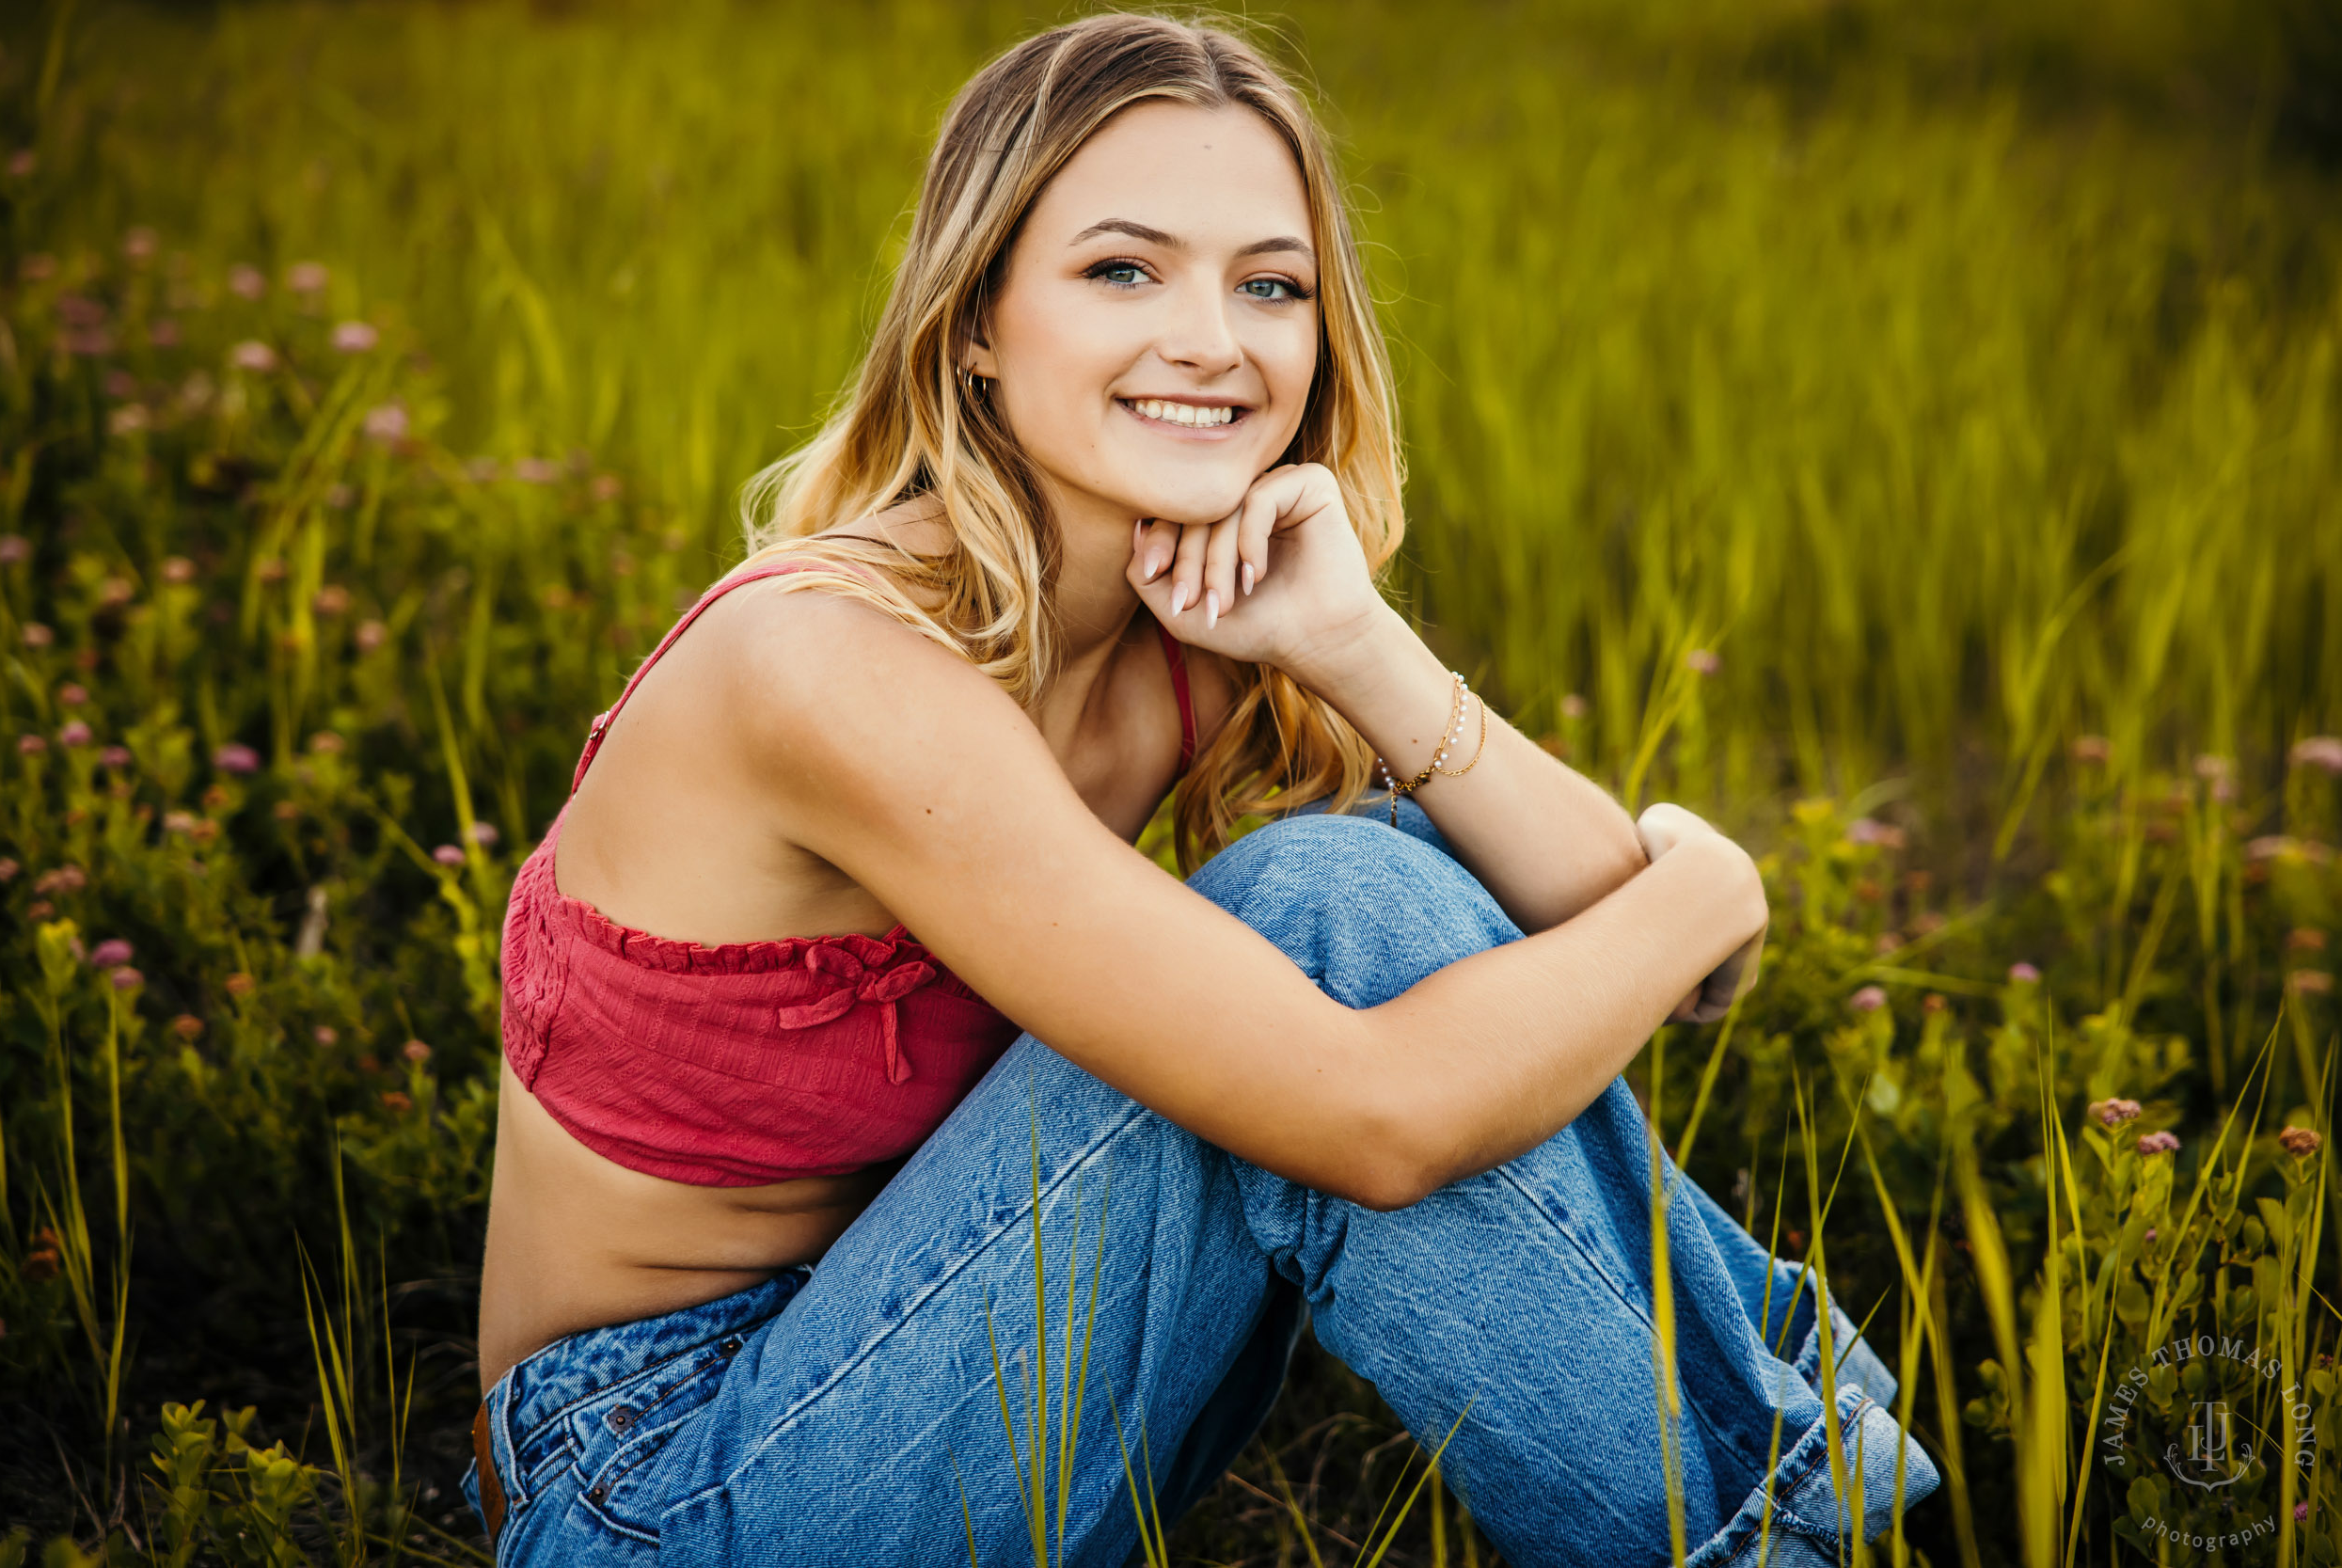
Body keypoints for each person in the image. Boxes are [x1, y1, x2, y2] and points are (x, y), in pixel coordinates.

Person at [467, 12, 1938, 1565]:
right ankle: (1795, 1510)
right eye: (1122, 270)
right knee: (1315, 916)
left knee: (1349, 885)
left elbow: (1598, 921)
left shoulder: (1193, 639)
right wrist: (1710, 883)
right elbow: (1390, 1118)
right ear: (974, 319)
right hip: (655, 1490)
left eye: (1270, 286)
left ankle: (1785, 1508)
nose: (1213, 340)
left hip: (929, 1360)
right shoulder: (830, 669)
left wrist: (1357, 645)